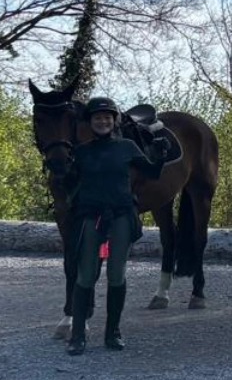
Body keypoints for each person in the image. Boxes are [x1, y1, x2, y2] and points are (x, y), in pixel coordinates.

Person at [64, 96, 169, 355]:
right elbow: (67, 185)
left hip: (121, 217)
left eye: (107, 118)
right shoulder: (80, 152)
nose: (102, 122)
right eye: (98, 118)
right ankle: (77, 335)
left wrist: (160, 155)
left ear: (114, 121)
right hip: (91, 217)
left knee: (116, 274)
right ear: (91, 122)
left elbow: (152, 173)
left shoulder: (127, 146)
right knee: (86, 274)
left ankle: (113, 332)